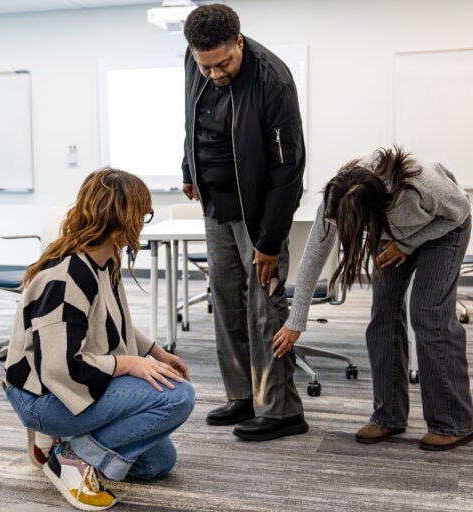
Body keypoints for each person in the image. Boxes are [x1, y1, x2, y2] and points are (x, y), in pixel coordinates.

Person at [3, 168, 195, 511]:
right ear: (123, 217)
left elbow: (108, 323)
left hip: (67, 385)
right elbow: (60, 368)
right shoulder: (67, 276)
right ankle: (72, 457)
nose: (142, 223)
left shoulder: (104, 261)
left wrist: (155, 353)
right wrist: (128, 363)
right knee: (177, 397)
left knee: (158, 462)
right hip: (43, 396)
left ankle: (67, 442)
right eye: (143, 215)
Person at [274, 147, 473, 451]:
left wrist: (408, 246)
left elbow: (459, 211)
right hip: (391, 236)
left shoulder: (421, 183)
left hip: (445, 231)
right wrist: (296, 319)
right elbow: (314, 256)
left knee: (428, 313)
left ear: (376, 210)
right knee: (383, 315)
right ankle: (389, 415)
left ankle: (453, 422)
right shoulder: (338, 198)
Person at [181, 4, 307, 441]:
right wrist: (188, 169)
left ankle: (281, 410)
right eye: (206, 66)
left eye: (223, 64)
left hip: (257, 213)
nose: (214, 75)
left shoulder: (273, 79)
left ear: (239, 41)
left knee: (264, 308)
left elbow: (288, 169)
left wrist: (270, 241)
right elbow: (191, 119)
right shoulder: (196, 60)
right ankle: (243, 395)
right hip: (215, 205)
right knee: (226, 304)